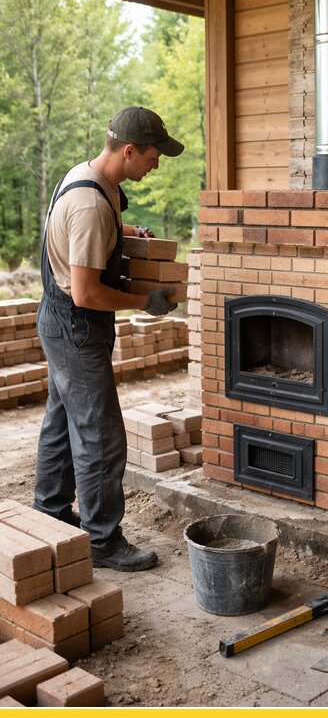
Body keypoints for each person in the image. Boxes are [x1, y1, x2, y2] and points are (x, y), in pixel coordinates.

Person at [34, 106, 184, 572]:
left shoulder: (91, 178)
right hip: (76, 323)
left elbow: (90, 236)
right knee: (101, 435)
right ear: (129, 150)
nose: (157, 164)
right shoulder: (92, 206)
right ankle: (102, 540)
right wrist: (146, 302)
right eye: (154, 156)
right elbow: (87, 292)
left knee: (62, 422)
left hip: (60, 322)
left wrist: (128, 232)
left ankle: (52, 513)